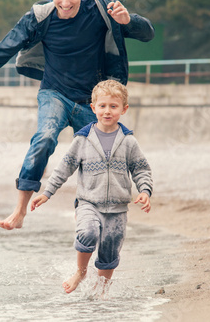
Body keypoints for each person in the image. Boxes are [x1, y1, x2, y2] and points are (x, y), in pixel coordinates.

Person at [0, 0, 154, 230]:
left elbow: (148, 33)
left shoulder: (104, 8)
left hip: (93, 101)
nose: (65, 3)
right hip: (54, 92)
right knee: (44, 138)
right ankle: (20, 211)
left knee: (100, 158)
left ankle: (85, 213)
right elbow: (6, 47)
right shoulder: (39, 17)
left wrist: (128, 22)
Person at [31, 80, 152, 294]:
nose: (107, 111)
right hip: (88, 202)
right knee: (87, 232)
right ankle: (81, 271)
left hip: (118, 207)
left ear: (123, 109)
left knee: (110, 249)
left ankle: (102, 288)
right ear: (93, 107)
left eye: (113, 106)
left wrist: (144, 191)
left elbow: (141, 169)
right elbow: (63, 169)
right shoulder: (82, 139)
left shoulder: (129, 142)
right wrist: (47, 193)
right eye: (102, 106)